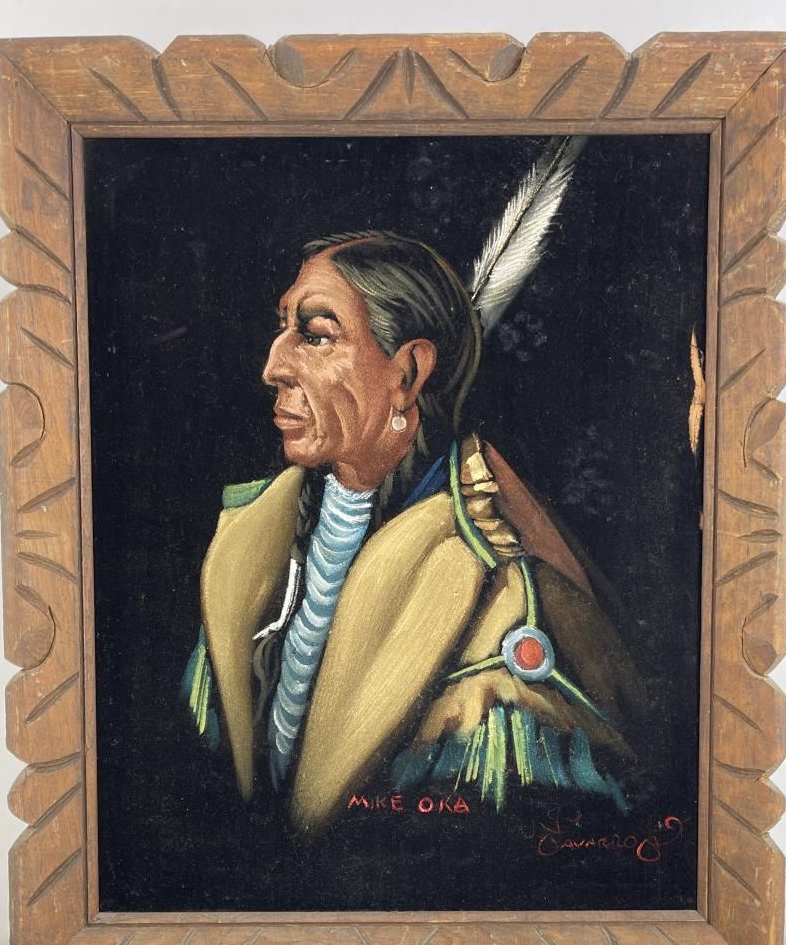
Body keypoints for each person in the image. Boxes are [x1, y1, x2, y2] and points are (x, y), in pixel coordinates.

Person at [181, 230, 644, 834]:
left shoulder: (494, 600)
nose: (273, 367)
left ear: (408, 372)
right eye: (283, 328)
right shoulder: (247, 549)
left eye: (315, 336)